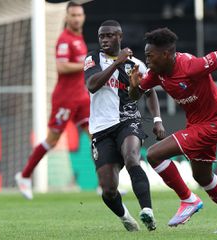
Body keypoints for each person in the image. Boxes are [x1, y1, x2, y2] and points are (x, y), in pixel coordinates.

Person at [129, 27, 217, 233]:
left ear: (166, 54)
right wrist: (133, 86)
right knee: (202, 177)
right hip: (197, 123)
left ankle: (188, 200)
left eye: (150, 56)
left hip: (212, 123)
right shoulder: (157, 73)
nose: (147, 60)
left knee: (154, 154)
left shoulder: (190, 66)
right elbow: (136, 94)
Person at [84, 20, 166, 232]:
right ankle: (126, 218)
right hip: (101, 129)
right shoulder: (92, 59)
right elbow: (92, 86)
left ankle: (147, 210)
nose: (104, 39)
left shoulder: (136, 64)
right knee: (108, 189)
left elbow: (150, 93)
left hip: (127, 121)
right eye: (101, 36)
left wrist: (157, 120)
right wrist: (116, 63)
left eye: (110, 35)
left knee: (132, 158)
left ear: (120, 37)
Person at [15, 2, 89, 200]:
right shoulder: (65, 39)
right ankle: (24, 176)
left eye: (79, 15)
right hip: (65, 99)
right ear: (66, 17)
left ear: (83, 17)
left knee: (96, 138)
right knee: (52, 140)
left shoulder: (79, 38)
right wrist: (86, 64)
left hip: (81, 97)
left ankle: (106, 183)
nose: (76, 18)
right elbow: (62, 67)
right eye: (72, 15)